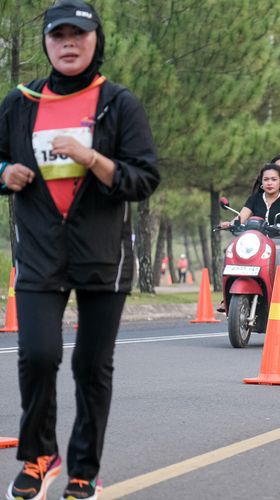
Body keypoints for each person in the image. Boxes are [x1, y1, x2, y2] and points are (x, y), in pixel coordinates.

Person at [0, 1, 160, 498]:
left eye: (79, 34)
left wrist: (92, 157)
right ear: (46, 42)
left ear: (96, 41)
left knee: (91, 367)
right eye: (58, 35)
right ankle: (39, 456)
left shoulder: (117, 103)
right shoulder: (20, 102)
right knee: (37, 355)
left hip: (102, 255)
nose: (68, 43)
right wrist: (4, 173)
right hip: (39, 252)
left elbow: (144, 178)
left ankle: (83, 470)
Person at [220, 163, 280, 312]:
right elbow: (241, 217)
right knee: (230, 251)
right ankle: (227, 297)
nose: (269, 183)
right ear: (261, 183)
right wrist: (231, 223)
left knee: (276, 254)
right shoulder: (255, 199)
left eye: (274, 179)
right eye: (266, 179)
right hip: (256, 241)